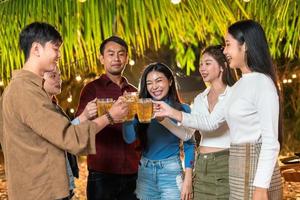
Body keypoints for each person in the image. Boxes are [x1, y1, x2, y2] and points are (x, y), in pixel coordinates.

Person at [154, 20, 283, 200]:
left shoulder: (262, 83)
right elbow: (210, 122)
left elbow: (271, 141)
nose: (225, 51)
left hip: (253, 168)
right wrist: (168, 113)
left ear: (245, 46)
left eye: (228, 44)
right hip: (237, 167)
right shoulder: (239, 86)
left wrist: (261, 188)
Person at [0, 22, 128, 200]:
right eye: (55, 49)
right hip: (41, 192)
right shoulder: (25, 91)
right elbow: (69, 136)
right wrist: (109, 116)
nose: (59, 55)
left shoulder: (26, 89)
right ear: (36, 49)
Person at [75, 36, 140, 200]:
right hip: (102, 175)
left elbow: (141, 131)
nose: (116, 59)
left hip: (133, 173)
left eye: (121, 54)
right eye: (111, 54)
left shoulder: (134, 92)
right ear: (102, 58)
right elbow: (79, 129)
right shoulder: (91, 89)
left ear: (126, 58)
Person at [123, 63, 195, 200]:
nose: (154, 87)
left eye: (159, 80)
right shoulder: (142, 108)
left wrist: (188, 179)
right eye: (149, 83)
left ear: (170, 81)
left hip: (171, 172)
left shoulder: (182, 109)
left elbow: (189, 144)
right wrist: (128, 116)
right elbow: (129, 138)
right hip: (145, 171)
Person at [43, 67, 98, 198]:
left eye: (60, 75)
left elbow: (64, 131)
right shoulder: (41, 109)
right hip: (51, 185)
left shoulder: (54, 105)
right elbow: (62, 136)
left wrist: (85, 116)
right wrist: (86, 116)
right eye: (52, 76)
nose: (59, 79)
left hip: (64, 183)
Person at [191, 45, 236, 199]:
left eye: (208, 63)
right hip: (201, 166)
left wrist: (173, 113)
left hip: (225, 164)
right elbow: (186, 132)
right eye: (200, 64)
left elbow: (210, 124)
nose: (202, 68)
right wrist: (163, 119)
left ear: (222, 67)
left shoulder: (233, 94)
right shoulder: (199, 99)